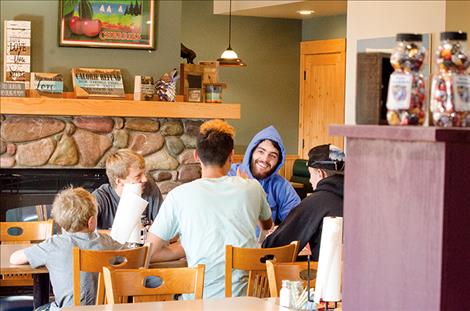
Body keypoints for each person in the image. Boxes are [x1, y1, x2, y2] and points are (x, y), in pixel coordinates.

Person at [147, 119, 273, 299]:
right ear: (232, 156)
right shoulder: (252, 187)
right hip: (247, 302)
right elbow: (267, 225)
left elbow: (149, 252)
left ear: (196, 156)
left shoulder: (179, 195)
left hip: (199, 303)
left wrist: (189, 246)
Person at [10, 187, 124, 310]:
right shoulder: (107, 242)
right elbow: (134, 254)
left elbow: (14, 259)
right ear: (91, 222)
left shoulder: (53, 245)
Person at [262, 144, 345, 261]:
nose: (310, 181)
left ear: (321, 174)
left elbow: (273, 248)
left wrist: (271, 236)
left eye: (311, 175)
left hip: (328, 277)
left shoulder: (317, 202)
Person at [228, 126, 300, 225]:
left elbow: (297, 220)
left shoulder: (281, 186)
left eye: (272, 155)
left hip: (265, 240)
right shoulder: (227, 174)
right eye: (261, 151)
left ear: (279, 162)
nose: (265, 159)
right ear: (251, 152)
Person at [92, 148, 163, 229]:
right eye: (138, 176)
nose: (145, 179)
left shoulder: (149, 187)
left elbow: (170, 230)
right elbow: (80, 233)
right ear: (119, 181)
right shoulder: (100, 197)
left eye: (144, 173)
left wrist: (155, 231)